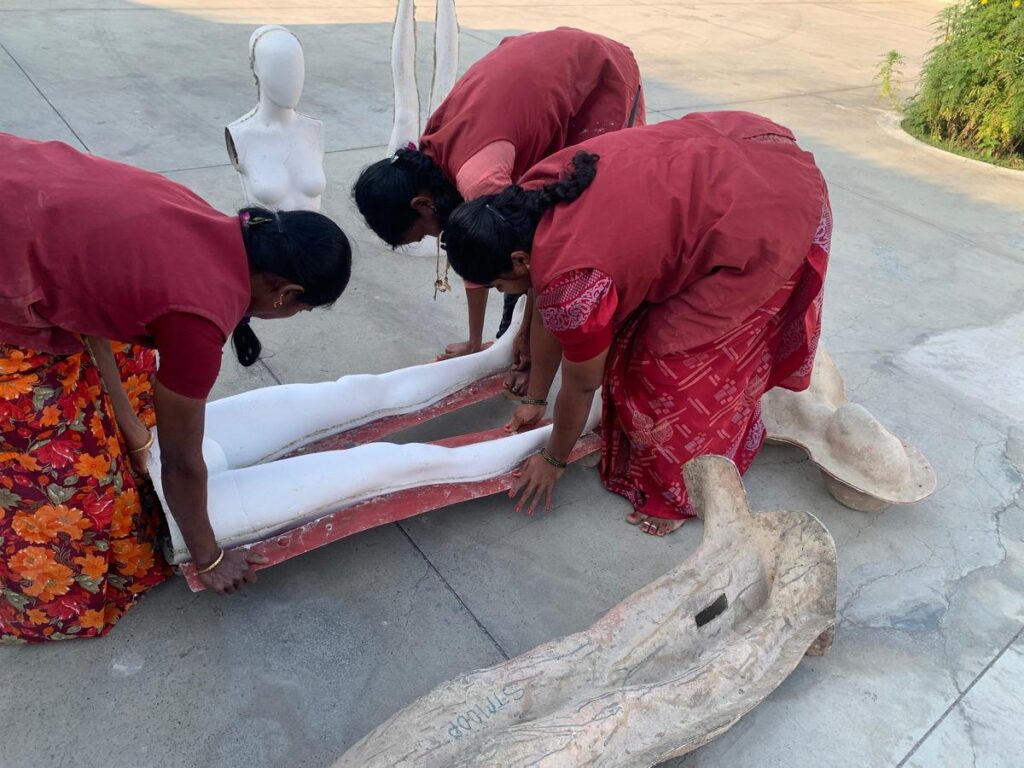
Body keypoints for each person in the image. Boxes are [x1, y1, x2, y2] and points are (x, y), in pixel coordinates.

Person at [0, 133, 352, 642]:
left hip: (18, 176)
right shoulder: (197, 321)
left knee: (132, 369)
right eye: (302, 309)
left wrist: (130, 426)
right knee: (64, 476)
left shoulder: (204, 217)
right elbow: (183, 462)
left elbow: (87, 292)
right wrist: (209, 557)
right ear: (286, 294)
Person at [440, 112, 832, 536]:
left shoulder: (573, 282)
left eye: (499, 285)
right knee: (629, 346)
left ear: (519, 260)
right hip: (745, 148)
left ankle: (684, 492)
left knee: (668, 369)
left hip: (772, 208)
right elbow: (548, 304)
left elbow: (581, 385)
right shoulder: (533, 194)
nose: (503, 292)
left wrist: (553, 459)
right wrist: (536, 397)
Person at [353, 27, 645, 394]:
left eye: (426, 231)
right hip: (543, 63)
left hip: (597, 74)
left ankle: (548, 360)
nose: (436, 236)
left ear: (423, 204)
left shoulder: (479, 179)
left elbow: (544, 263)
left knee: (578, 225)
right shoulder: (429, 162)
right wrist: (475, 343)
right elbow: (474, 257)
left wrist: (528, 349)